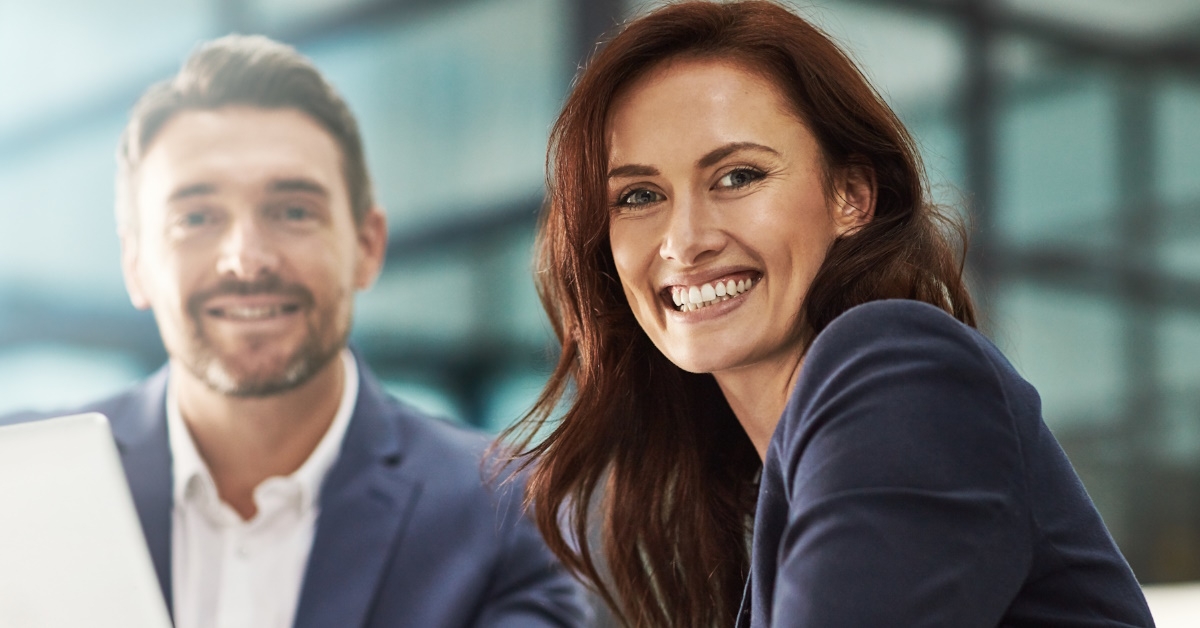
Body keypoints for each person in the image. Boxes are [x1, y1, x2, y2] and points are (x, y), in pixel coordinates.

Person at [502, 1, 1156, 626]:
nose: (684, 240)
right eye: (640, 195)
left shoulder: (903, 371)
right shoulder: (766, 495)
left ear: (852, 195)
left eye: (738, 177)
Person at [3, 35, 587, 628]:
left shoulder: (513, 512)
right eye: (196, 218)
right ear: (135, 264)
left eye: (293, 211)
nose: (246, 259)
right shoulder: (17, 485)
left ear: (367, 245)